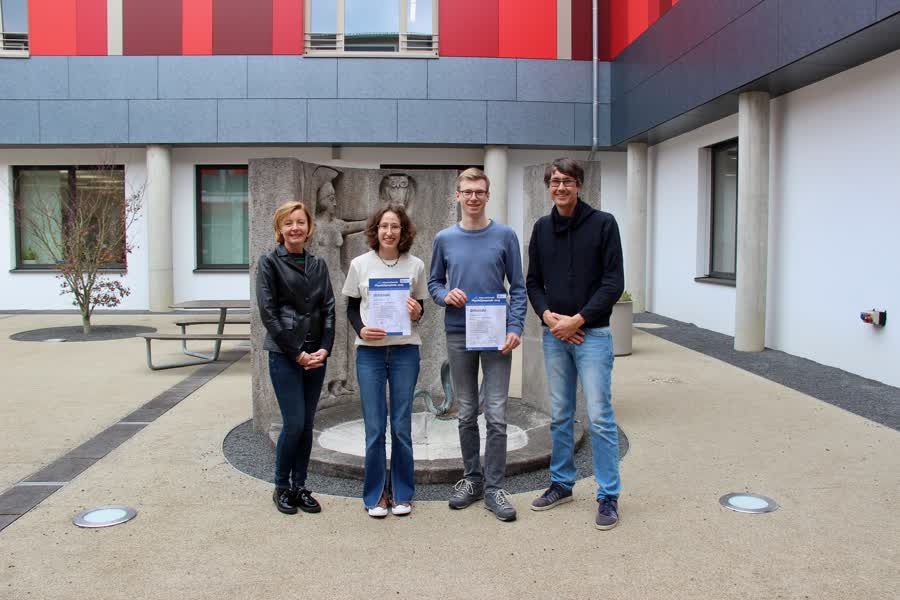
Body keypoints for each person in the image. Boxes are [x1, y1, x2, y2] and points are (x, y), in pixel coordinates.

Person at [525, 158, 624, 530]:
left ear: (578, 185)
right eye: (555, 181)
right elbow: (533, 281)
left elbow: (613, 282)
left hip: (592, 335)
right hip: (555, 336)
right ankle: (562, 484)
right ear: (548, 186)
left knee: (599, 418)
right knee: (561, 415)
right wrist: (548, 316)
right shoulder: (541, 228)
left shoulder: (603, 224)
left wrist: (578, 320)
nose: (561, 187)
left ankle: (608, 495)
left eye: (567, 181)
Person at [428, 167, 527, 522]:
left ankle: (495, 487)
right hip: (459, 332)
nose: (473, 197)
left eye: (479, 192)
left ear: (487, 195)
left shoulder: (505, 236)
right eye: (467, 191)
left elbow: (518, 287)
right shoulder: (444, 238)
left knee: (497, 414)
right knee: (467, 411)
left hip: (496, 335)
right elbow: (434, 283)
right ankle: (472, 479)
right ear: (457, 196)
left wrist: (515, 326)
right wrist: (444, 295)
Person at [342, 204, 428, 518]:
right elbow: (352, 308)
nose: (389, 232)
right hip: (370, 352)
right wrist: (361, 329)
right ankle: (377, 494)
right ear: (375, 230)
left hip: (405, 351)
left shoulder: (416, 265)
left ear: (403, 232)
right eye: (383, 226)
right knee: (375, 427)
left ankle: (403, 492)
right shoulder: (360, 264)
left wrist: (417, 312)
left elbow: (420, 308)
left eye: (395, 227)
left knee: (401, 426)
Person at [256, 200, 335, 515]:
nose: (295, 228)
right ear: (279, 228)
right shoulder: (269, 262)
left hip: (316, 355)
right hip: (285, 355)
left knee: (307, 424)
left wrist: (325, 348)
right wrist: (297, 353)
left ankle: (300, 486)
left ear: (309, 227)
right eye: (288, 223)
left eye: (300, 222)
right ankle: (281, 487)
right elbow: (269, 314)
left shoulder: (318, 264)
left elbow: (328, 309)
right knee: (294, 424)